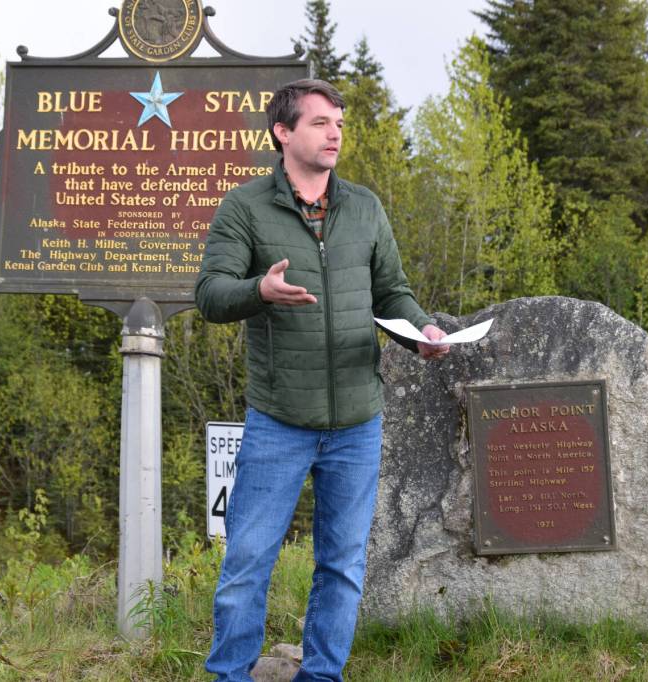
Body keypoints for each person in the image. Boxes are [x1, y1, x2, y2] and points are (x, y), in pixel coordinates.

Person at [194, 78, 448, 681]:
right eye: (319, 123)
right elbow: (209, 294)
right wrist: (261, 290)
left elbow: (392, 293)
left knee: (342, 567)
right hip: (279, 420)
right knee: (248, 564)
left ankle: (321, 675)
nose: (335, 133)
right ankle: (230, 675)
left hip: (358, 422)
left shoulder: (364, 207)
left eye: (339, 123)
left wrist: (424, 332)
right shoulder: (245, 208)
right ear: (283, 132)